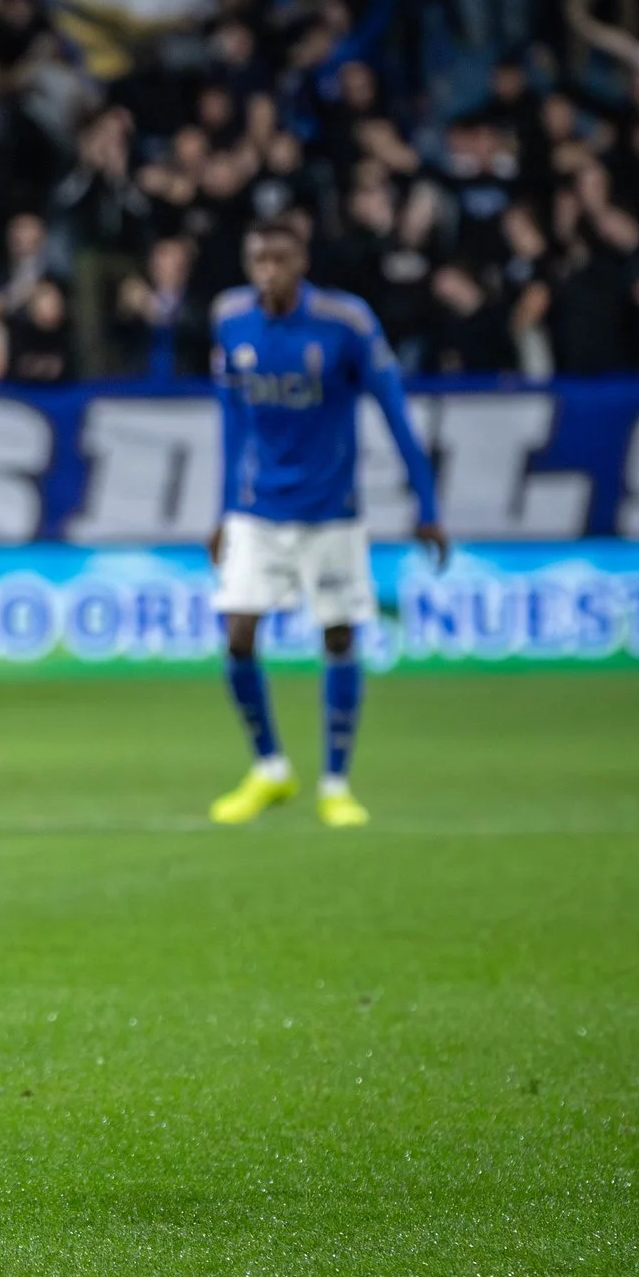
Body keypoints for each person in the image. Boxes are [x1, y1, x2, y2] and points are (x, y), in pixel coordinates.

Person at [206, 222, 450, 832]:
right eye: (258, 257)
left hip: (331, 511)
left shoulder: (346, 323)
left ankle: (336, 783)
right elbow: (232, 422)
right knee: (238, 633)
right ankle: (269, 768)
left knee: (337, 637)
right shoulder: (231, 319)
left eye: (279, 258)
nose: (268, 269)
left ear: (302, 261)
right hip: (258, 509)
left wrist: (428, 505)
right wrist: (221, 509)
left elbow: (394, 411)